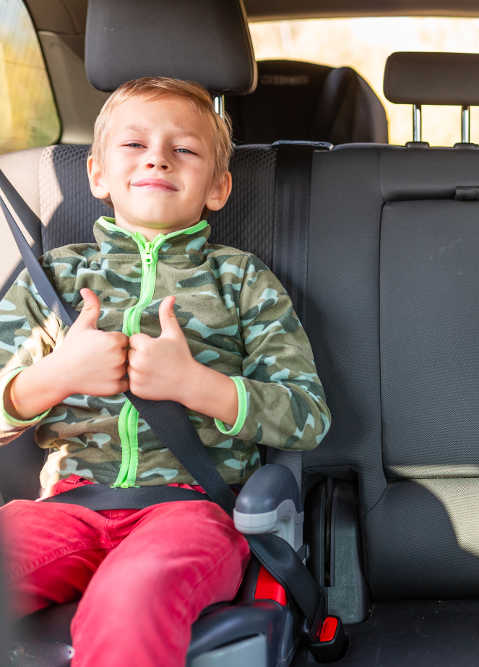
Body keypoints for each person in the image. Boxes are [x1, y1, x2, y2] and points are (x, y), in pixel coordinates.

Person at [0, 77, 332, 667]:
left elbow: (306, 417)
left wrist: (196, 386)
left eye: (185, 149)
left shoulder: (241, 281)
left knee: (130, 603)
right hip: (65, 506)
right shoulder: (52, 277)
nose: (157, 156)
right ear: (98, 175)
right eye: (134, 144)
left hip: (191, 511)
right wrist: (60, 374)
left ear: (218, 187)